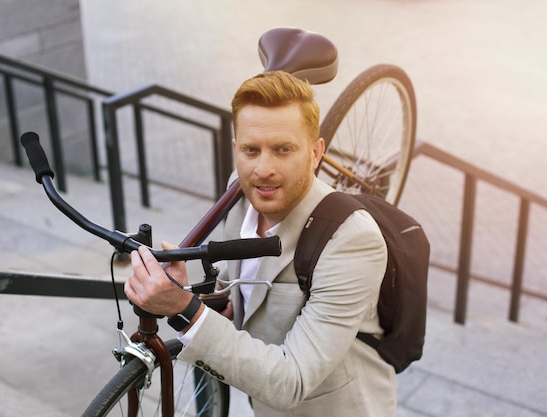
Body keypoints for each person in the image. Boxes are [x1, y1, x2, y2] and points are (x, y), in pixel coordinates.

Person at [125, 70, 396, 416]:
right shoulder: (238, 190)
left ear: (315, 153)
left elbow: (292, 380)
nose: (263, 169)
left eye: (284, 149)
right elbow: (241, 284)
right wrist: (211, 299)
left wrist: (184, 308)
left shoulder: (353, 241)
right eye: (251, 150)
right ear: (236, 148)